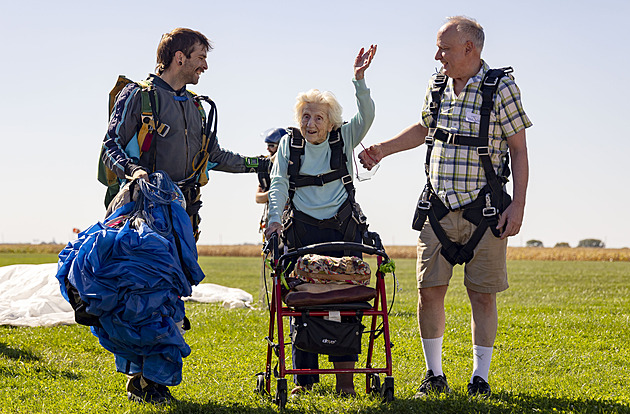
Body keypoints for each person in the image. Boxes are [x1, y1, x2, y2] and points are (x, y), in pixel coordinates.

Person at [359, 16, 531, 398]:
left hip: (485, 213)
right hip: (436, 210)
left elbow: (518, 150)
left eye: (445, 49)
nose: (438, 56)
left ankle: (479, 379)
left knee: (482, 295)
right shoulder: (437, 85)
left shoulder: (500, 88)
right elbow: (424, 129)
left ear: (470, 48)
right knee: (428, 291)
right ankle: (433, 375)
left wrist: (517, 205)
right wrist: (383, 151)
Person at [100, 27, 268, 404]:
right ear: (179, 57)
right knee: (145, 295)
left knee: (171, 294)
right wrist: (134, 171)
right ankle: (146, 380)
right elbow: (110, 144)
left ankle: (148, 378)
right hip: (142, 217)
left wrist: (262, 162)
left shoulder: (195, 106)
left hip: (184, 218)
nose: (204, 66)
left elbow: (216, 156)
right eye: (200, 57)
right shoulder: (139, 98)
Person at [265, 44, 377, 396]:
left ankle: (345, 383)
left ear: (331, 122)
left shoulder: (343, 138)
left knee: (345, 300)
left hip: (343, 229)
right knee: (305, 302)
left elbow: (367, 116)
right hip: (301, 230)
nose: (310, 123)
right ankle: (303, 380)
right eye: (306, 117)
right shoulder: (289, 145)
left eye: (318, 118)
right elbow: (279, 182)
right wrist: (272, 221)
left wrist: (359, 80)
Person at [256, 128, 287, 234]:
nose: (268, 149)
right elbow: (258, 198)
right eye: (267, 145)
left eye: (271, 145)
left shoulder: (292, 166)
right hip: (272, 219)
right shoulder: (266, 168)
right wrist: (277, 192)